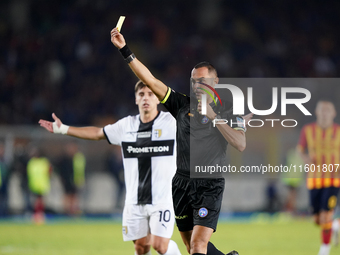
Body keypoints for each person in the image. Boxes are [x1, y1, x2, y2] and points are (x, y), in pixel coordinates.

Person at [110, 28, 248, 255]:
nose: (197, 85)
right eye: (194, 81)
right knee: (189, 245)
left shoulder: (230, 110)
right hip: (181, 183)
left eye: (203, 81)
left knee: (197, 245)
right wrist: (125, 50)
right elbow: (150, 80)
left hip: (209, 184)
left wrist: (214, 118)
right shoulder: (182, 104)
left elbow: (240, 144)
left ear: (216, 81)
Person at [39, 81, 181, 255]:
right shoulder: (126, 126)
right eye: (141, 94)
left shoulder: (171, 123)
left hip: (162, 199)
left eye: (151, 94)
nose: (146, 98)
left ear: (158, 99)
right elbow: (98, 133)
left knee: (160, 245)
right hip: (134, 201)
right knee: (141, 247)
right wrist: (64, 129)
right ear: (136, 99)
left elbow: (196, 123)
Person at [297, 100, 340, 255]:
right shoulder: (308, 130)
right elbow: (300, 150)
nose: (324, 113)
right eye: (322, 110)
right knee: (317, 219)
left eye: (328, 110)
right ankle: (335, 225)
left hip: (333, 179)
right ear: (317, 112)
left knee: (325, 214)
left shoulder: (339, 131)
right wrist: (307, 160)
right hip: (314, 180)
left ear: (334, 113)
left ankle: (325, 249)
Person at [57, 142, 86, 215]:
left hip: (75, 179)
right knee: (67, 195)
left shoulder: (77, 158)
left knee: (74, 195)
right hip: (67, 179)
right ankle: (67, 211)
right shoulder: (64, 159)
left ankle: (73, 210)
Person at [26, 146, 52, 224]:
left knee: (40, 200)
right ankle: (38, 215)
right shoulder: (36, 162)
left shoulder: (41, 162)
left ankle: (38, 215)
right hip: (36, 184)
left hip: (40, 184)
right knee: (38, 201)